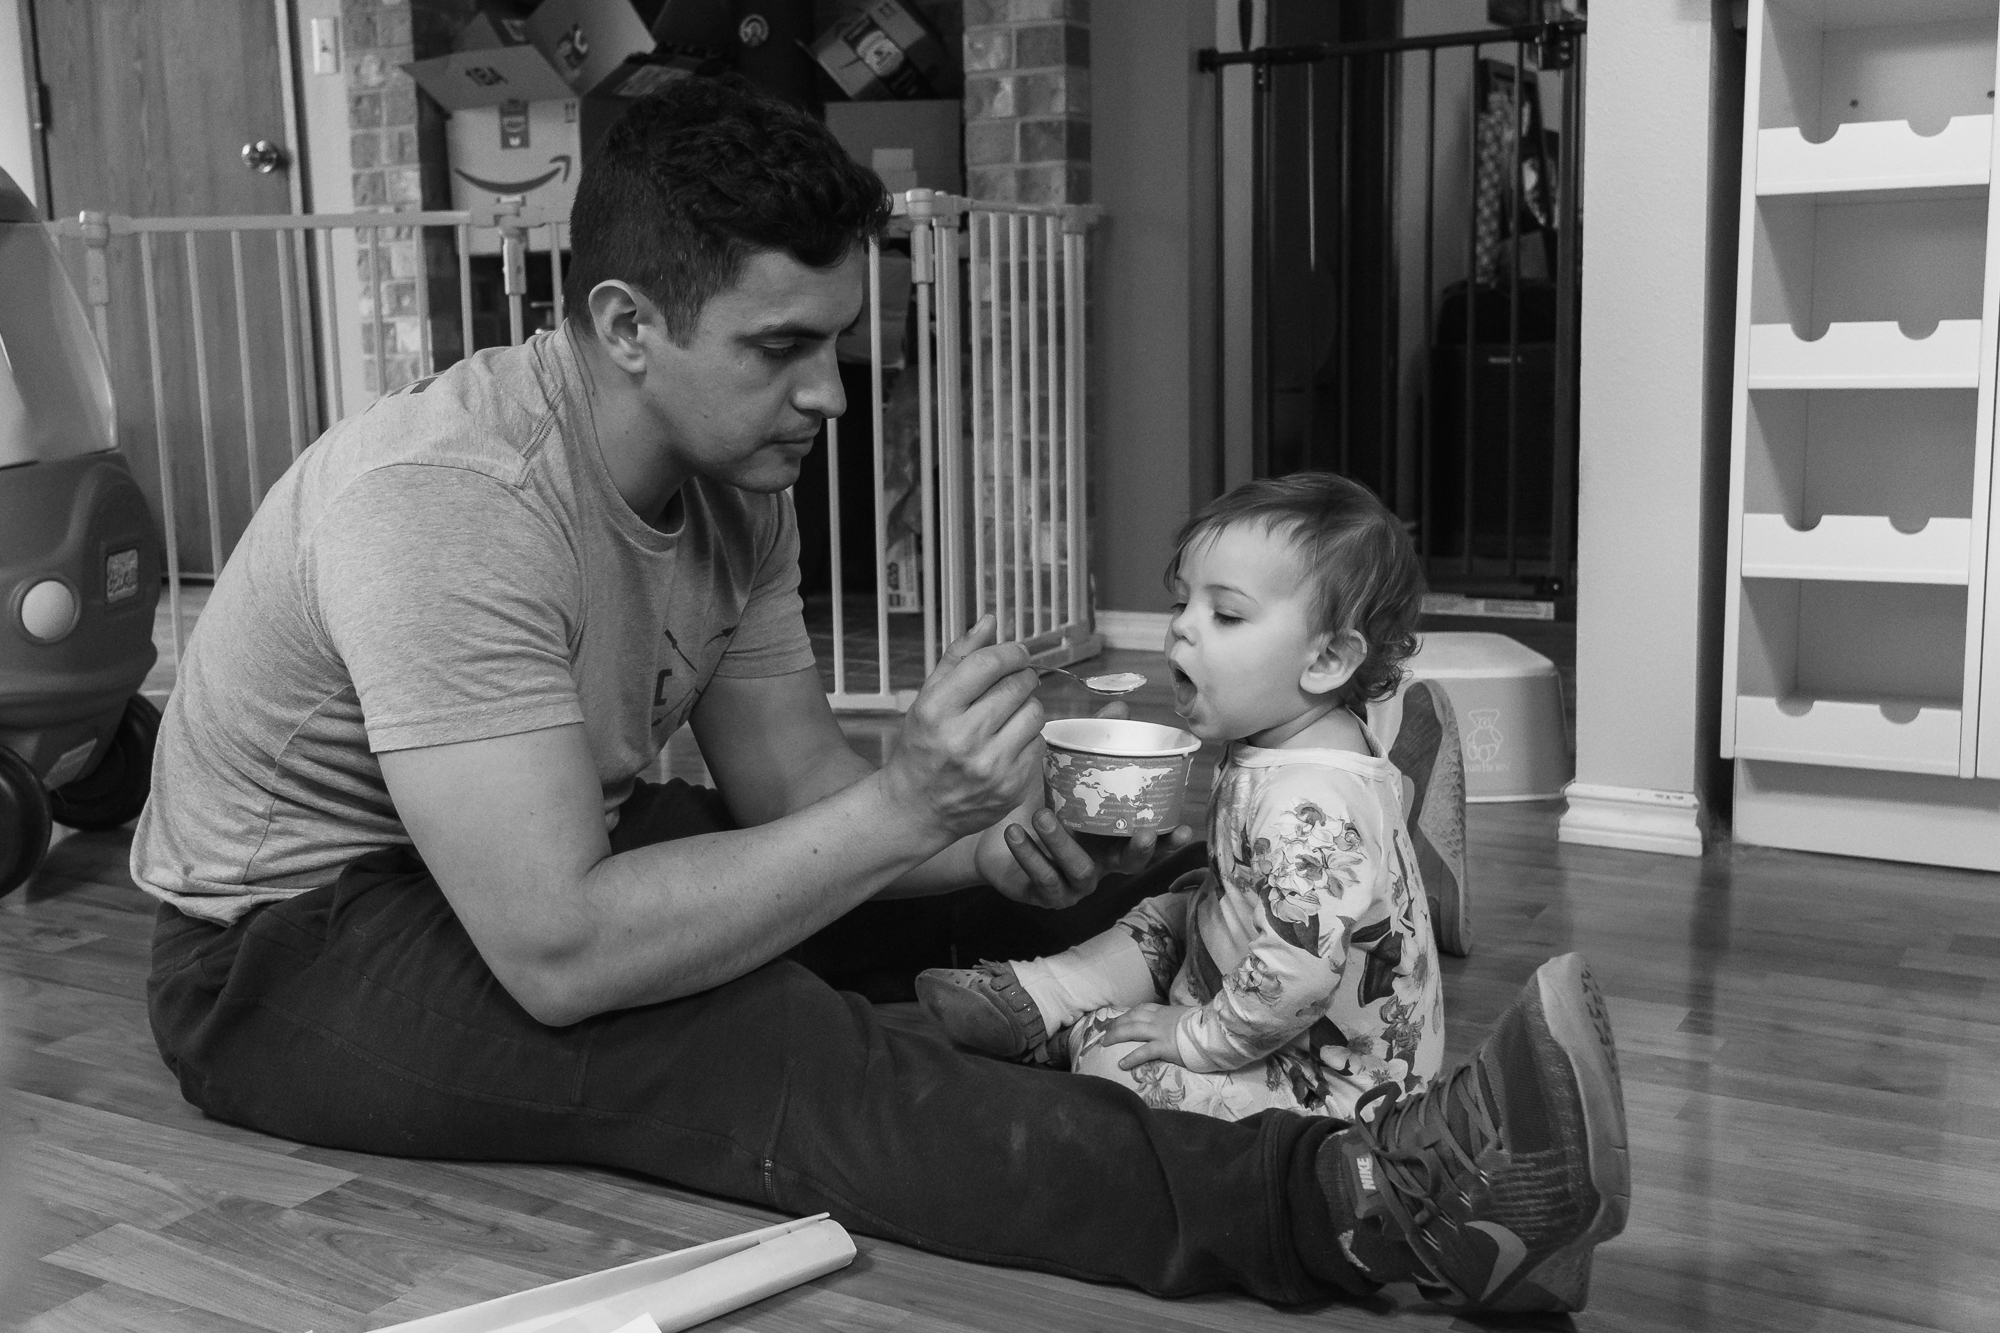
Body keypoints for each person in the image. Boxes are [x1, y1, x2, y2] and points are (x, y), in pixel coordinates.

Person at [133, 76, 1628, 1315]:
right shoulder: (447, 504)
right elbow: (561, 949)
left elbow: (793, 801)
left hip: (530, 849)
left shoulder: (734, 486)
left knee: (1099, 865)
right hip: (287, 950)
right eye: (780, 348)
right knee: (771, 1038)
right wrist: (904, 805)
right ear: (626, 324)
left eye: (838, 341)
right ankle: (1372, 1205)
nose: (831, 396)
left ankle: (1348, 880)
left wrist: (975, 846)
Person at [916, 474, 1447, 1124]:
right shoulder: (1275, 731)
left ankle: (1073, 1030)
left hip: (1328, 1084)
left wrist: (1190, 1035)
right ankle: (1041, 993)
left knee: (1118, 1060)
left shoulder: (1312, 805)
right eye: (1180, 605)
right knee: (1184, 901)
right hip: (1244, 991)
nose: (1181, 631)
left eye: (1225, 614)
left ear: (1329, 657)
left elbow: (1296, 975)